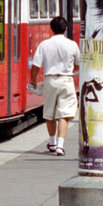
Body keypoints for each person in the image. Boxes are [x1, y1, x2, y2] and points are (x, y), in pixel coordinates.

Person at [29, 16, 79, 156]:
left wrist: (33, 80)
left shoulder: (44, 45)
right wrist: (71, 68)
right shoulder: (72, 44)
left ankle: (52, 142)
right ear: (66, 28)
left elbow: (36, 66)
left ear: (51, 29)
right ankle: (60, 146)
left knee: (49, 113)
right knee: (64, 114)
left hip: (50, 81)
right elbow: (78, 64)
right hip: (66, 81)